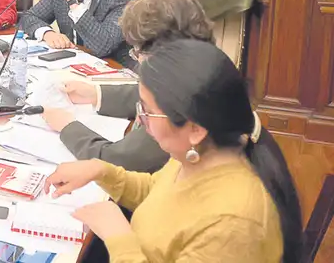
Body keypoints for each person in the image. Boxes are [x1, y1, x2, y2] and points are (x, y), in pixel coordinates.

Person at [47, 39, 302, 263]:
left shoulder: (234, 225)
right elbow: (155, 192)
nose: (141, 120)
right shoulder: (199, 154)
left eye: (147, 111)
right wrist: (102, 171)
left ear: (195, 128)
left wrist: (119, 238)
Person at [42, 0, 216, 172]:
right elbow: (145, 92)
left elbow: (117, 160)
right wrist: (96, 94)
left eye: (137, 52)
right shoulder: (199, 68)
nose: (137, 60)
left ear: (161, 54)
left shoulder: (178, 101)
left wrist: (67, 127)